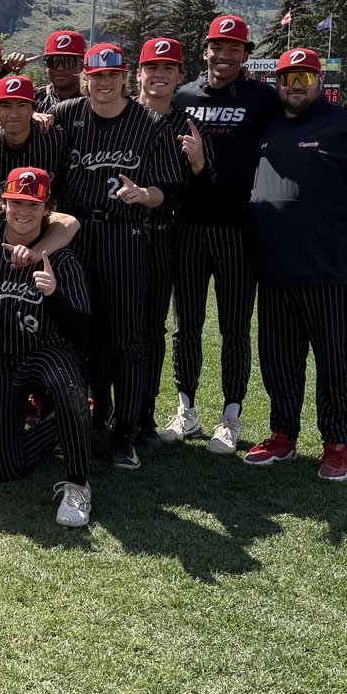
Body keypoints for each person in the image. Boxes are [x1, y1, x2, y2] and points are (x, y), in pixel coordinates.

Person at [50, 42, 181, 469]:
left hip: (125, 235)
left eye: (112, 76)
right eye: (96, 76)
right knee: (77, 333)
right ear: (85, 79)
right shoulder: (68, 114)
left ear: (126, 78)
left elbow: (168, 189)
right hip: (74, 232)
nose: (104, 83)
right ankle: (82, 420)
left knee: (128, 338)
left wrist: (145, 194)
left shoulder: (150, 122)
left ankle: (126, 430)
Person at [162, 15, 280, 453]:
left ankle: (230, 415)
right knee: (185, 324)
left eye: (234, 49)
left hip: (237, 229)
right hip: (188, 226)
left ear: (246, 55)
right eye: (218, 47)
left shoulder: (262, 98)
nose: (224, 56)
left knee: (234, 326)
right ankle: (186, 410)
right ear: (205, 49)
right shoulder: (185, 95)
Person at [0, 167, 94, 526]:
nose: (24, 211)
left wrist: (53, 294)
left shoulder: (60, 255)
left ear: (46, 208)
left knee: (67, 386)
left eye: (33, 204)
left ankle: (78, 483)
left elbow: (81, 329)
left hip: (45, 350)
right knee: (4, 467)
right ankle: (72, 423)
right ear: (3, 203)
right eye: (17, 202)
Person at [245, 48, 347, 481]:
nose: (295, 86)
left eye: (305, 78)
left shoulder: (345, 124)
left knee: (334, 362)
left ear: (318, 82)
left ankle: (336, 443)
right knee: (278, 360)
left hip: (329, 269)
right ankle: (283, 436)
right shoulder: (268, 125)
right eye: (287, 78)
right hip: (274, 268)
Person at [134, 38, 208, 447]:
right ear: (139, 73)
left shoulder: (188, 125)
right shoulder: (120, 112)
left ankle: (143, 412)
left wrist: (198, 164)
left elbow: (203, 196)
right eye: (152, 67)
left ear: (180, 76)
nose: (159, 75)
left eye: (168, 69)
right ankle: (102, 408)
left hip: (162, 237)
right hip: (111, 235)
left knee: (151, 330)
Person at [0, 75, 67, 195]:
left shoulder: (54, 138)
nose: (13, 113)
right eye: (5, 106)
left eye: (21, 105)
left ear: (33, 109)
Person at [34, 30, 87, 113]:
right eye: (53, 61)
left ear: (82, 64)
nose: (59, 68)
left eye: (68, 62)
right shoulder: (33, 101)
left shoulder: (96, 102)